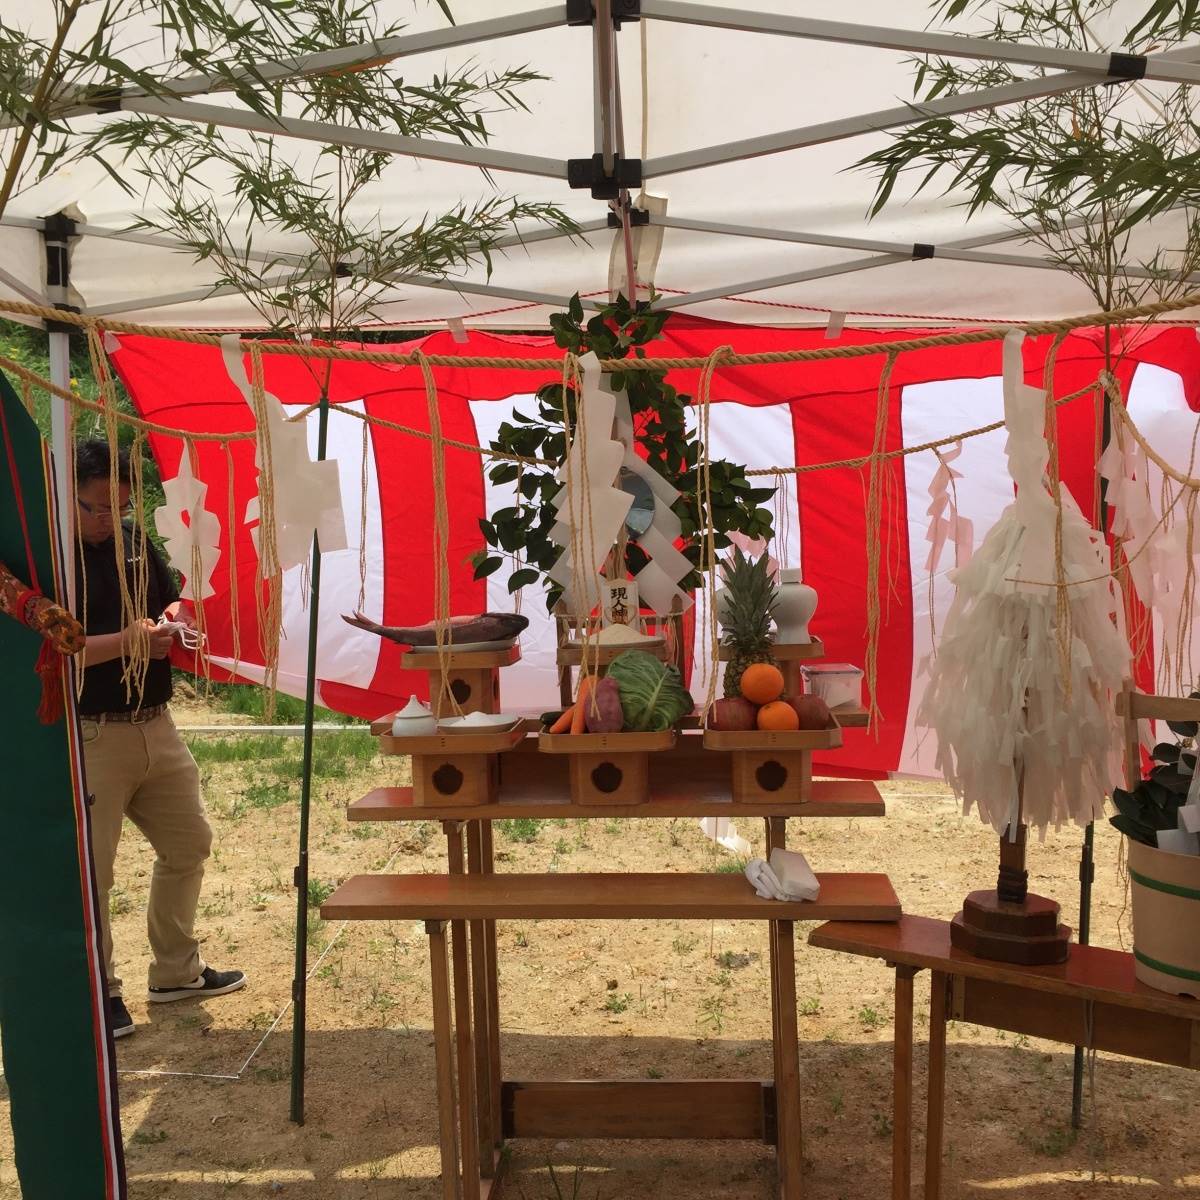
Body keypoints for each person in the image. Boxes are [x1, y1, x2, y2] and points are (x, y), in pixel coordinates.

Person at [74, 439, 244, 1040]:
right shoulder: (51, 559)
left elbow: (167, 599)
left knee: (189, 842)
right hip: (92, 732)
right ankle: (99, 990)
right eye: (96, 507)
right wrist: (131, 641)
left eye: (118, 506)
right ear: (67, 497)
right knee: (93, 873)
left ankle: (175, 971)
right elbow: (60, 651)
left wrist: (176, 619)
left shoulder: (132, 540)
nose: (108, 519)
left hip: (155, 721)